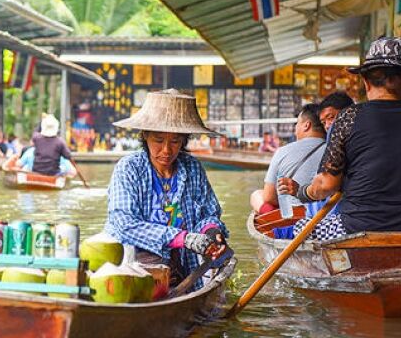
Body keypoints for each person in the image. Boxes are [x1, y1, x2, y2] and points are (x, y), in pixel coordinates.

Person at [280, 37, 401, 240]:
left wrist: (303, 192)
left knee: (300, 228)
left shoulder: (349, 117)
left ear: (365, 81)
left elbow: (326, 185)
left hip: (360, 226)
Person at [104, 89, 228, 290]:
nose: (166, 151)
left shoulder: (192, 168)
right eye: (159, 140)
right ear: (145, 135)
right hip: (132, 268)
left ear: (184, 140)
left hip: (180, 267)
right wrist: (182, 238)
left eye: (175, 141)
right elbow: (124, 224)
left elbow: (209, 213)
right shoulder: (129, 168)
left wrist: (211, 232)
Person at [250, 104, 327, 214]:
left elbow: (269, 197)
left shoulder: (283, 151)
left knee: (257, 195)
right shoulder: (334, 150)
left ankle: (274, 217)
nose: (295, 128)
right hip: (326, 212)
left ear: (306, 125)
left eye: (297, 123)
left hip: (294, 216)